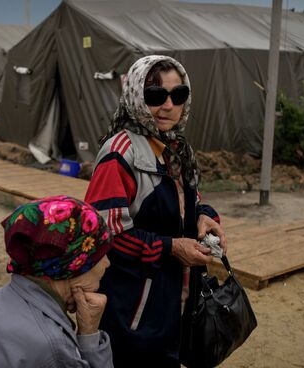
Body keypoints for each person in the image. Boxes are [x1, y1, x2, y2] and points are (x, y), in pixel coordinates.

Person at [84, 55, 228, 367]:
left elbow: (185, 204)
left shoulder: (177, 148)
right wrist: (172, 247)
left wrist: (205, 215)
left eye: (178, 95)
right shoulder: (119, 154)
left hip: (173, 302)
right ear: (135, 96)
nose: (168, 105)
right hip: (133, 313)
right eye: (155, 95)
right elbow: (103, 234)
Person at [0, 195, 115, 368]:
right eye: (99, 256)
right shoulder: (51, 346)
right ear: (71, 269)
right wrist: (90, 335)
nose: (107, 263)